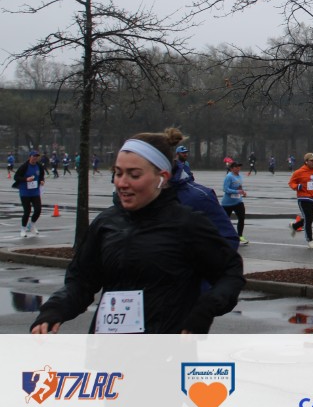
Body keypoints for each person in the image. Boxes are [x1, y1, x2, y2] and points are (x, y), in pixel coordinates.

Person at [29, 130, 245, 334]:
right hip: (108, 349)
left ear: (162, 177)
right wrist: (55, 309)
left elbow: (229, 273)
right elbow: (81, 281)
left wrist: (205, 308)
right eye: (118, 173)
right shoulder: (106, 223)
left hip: (166, 350)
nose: (122, 183)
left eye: (134, 175)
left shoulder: (187, 224)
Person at [288, 152, 313, 249]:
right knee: (308, 219)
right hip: (303, 198)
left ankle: (295, 226)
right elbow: (291, 183)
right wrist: (297, 186)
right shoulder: (299, 172)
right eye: (312, 161)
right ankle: (310, 241)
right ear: (306, 161)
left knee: (310, 219)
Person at [13, 150, 45, 238]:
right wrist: (26, 179)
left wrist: (42, 181)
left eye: (36, 156)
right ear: (29, 157)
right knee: (27, 211)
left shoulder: (39, 166)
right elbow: (16, 177)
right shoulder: (24, 166)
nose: (35, 158)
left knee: (38, 210)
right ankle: (23, 229)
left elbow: (41, 175)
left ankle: (32, 225)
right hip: (25, 192)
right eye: (33, 156)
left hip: (35, 191)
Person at [221, 161, 249, 246]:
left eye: (239, 167)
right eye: (236, 167)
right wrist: (237, 191)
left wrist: (242, 192)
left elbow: (239, 187)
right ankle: (223, 236)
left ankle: (240, 236)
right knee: (225, 221)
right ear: (232, 168)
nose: (238, 168)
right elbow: (225, 189)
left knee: (241, 218)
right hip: (227, 203)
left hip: (238, 202)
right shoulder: (229, 176)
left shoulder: (240, 176)